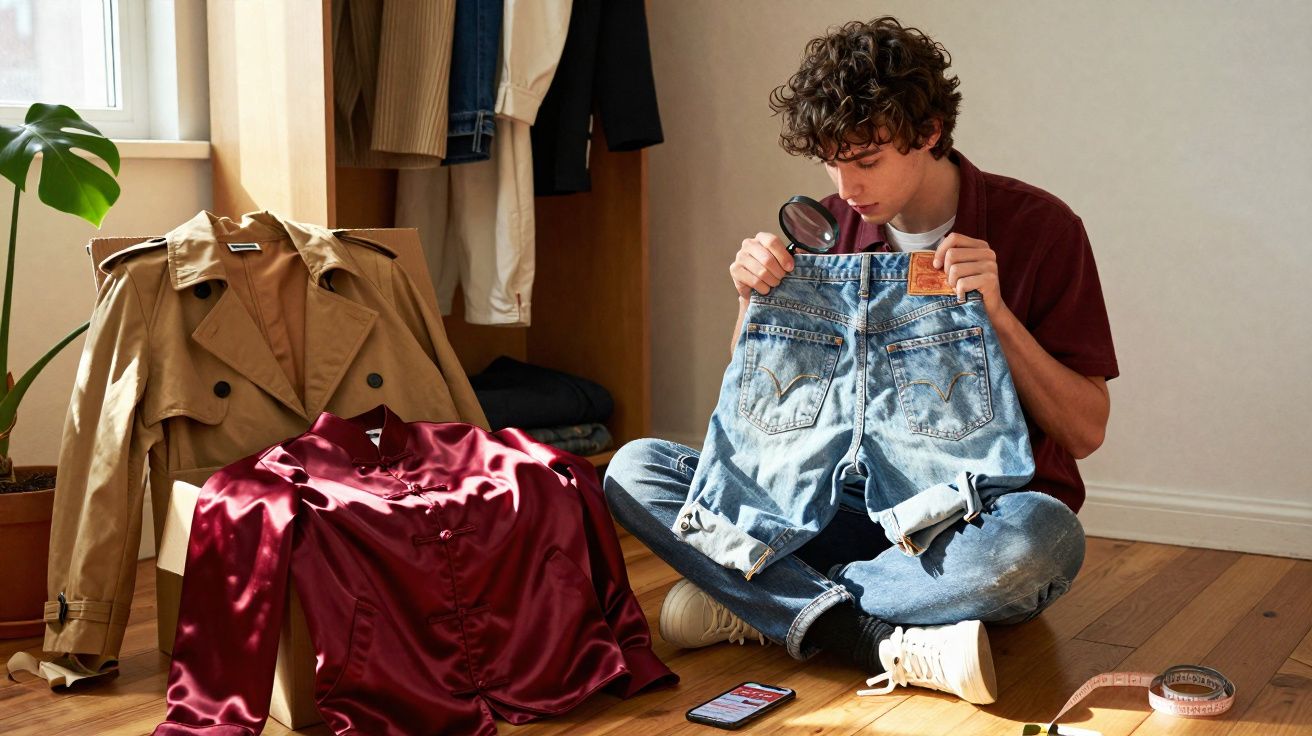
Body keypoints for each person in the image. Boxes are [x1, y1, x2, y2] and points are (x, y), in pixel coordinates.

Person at [603, 15, 1118, 705]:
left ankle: (765, 599)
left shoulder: (1042, 229)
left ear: (929, 132)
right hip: (828, 508)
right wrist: (752, 303)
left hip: (969, 523)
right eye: (831, 161)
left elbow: (1085, 430)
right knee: (633, 469)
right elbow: (764, 417)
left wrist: (996, 314)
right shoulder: (824, 228)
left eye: (867, 161)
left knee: (1041, 543)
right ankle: (867, 634)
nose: (846, 186)